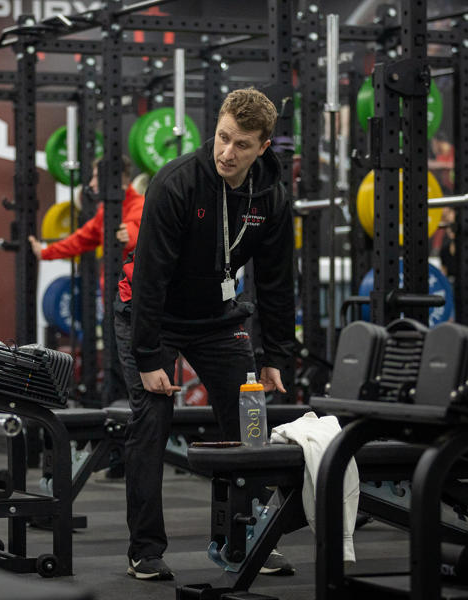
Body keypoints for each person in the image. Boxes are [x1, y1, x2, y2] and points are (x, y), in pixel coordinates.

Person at [114, 88, 295, 580]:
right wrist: (149, 357)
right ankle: (144, 549)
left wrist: (276, 353)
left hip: (218, 320)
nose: (226, 152)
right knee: (151, 420)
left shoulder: (272, 197)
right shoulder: (176, 184)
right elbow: (149, 278)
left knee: (248, 421)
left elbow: (279, 282)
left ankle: (244, 541)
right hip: (152, 316)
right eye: (222, 138)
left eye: (241, 144)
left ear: (263, 146)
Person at [29, 155, 146, 402]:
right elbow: (81, 238)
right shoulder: (106, 211)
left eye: (95, 177)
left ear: (113, 179)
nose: (92, 184)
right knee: (115, 359)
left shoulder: (138, 205)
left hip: (137, 303)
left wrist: (131, 235)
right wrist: (46, 252)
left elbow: (140, 228)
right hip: (113, 299)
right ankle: (116, 406)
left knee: (134, 363)